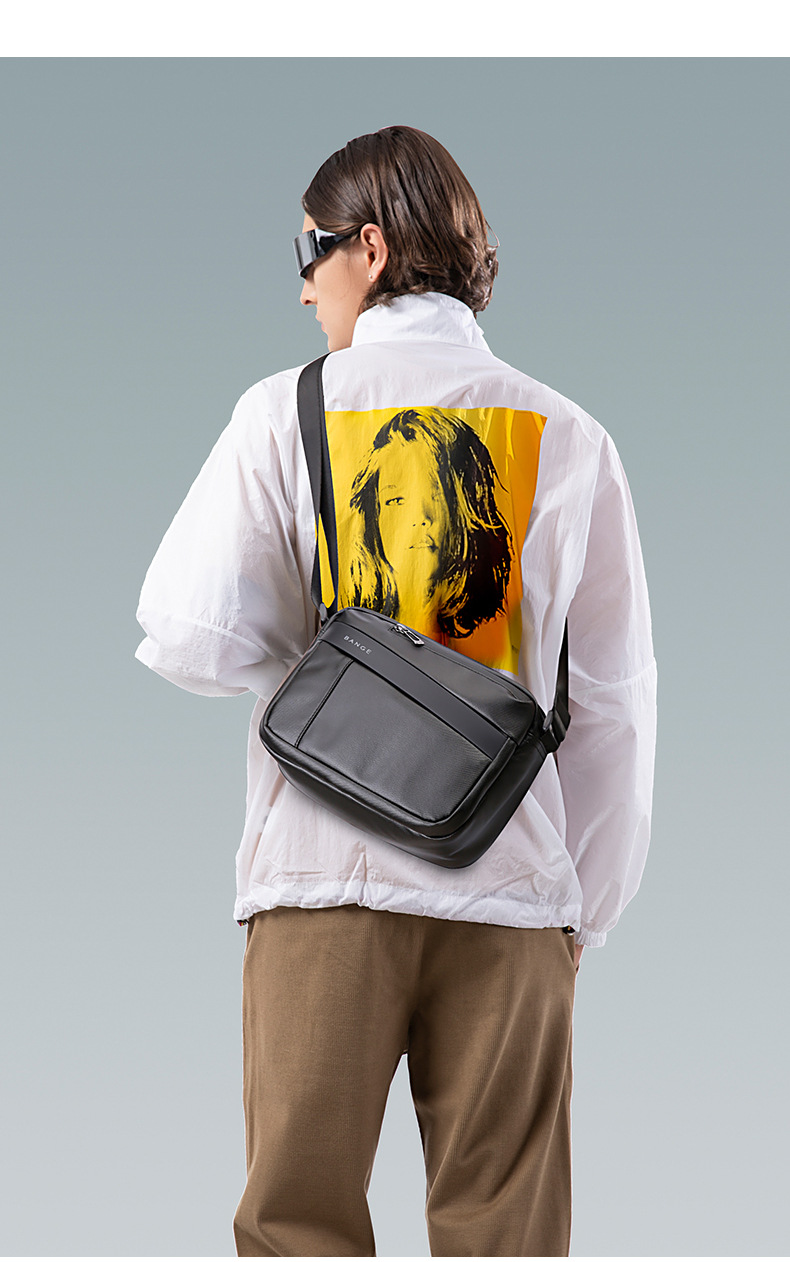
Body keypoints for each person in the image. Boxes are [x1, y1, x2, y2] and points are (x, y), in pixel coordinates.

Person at [134, 125, 657, 1257]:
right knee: (508, 1235)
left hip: (323, 884)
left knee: (298, 1229)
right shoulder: (571, 435)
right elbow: (614, 705)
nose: (303, 287)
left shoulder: (284, 411)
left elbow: (184, 631)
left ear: (367, 248)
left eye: (307, 252)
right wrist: (585, 910)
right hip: (512, 888)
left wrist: (328, 655)